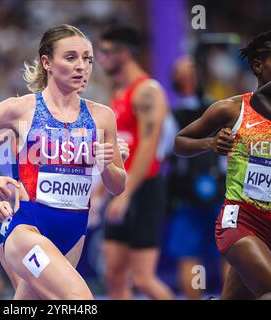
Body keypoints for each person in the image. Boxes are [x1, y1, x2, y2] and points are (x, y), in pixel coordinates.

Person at [0, 24, 126, 300]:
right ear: (47, 62)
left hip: (74, 234)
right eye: (71, 57)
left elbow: (118, 186)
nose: (82, 66)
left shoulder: (102, 116)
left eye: (88, 59)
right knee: (80, 301)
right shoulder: (20, 110)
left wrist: (105, 164)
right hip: (26, 229)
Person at [174, 30, 271, 300]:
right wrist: (210, 143)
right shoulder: (232, 109)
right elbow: (180, 142)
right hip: (242, 221)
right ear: (258, 65)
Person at [94, 24, 174, 300]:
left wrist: (125, 196)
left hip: (144, 190)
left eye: (105, 52)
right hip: (121, 189)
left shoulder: (147, 92)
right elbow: (115, 150)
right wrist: (101, 191)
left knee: (142, 279)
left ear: (124, 53)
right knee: (113, 274)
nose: (100, 59)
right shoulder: (116, 94)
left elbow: (148, 149)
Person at [166, 56, 227, 299]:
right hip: (191, 196)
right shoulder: (175, 116)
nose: (188, 78)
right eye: (184, 73)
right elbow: (168, 153)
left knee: (229, 252)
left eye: (191, 72)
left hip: (216, 193)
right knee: (196, 254)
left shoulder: (219, 109)